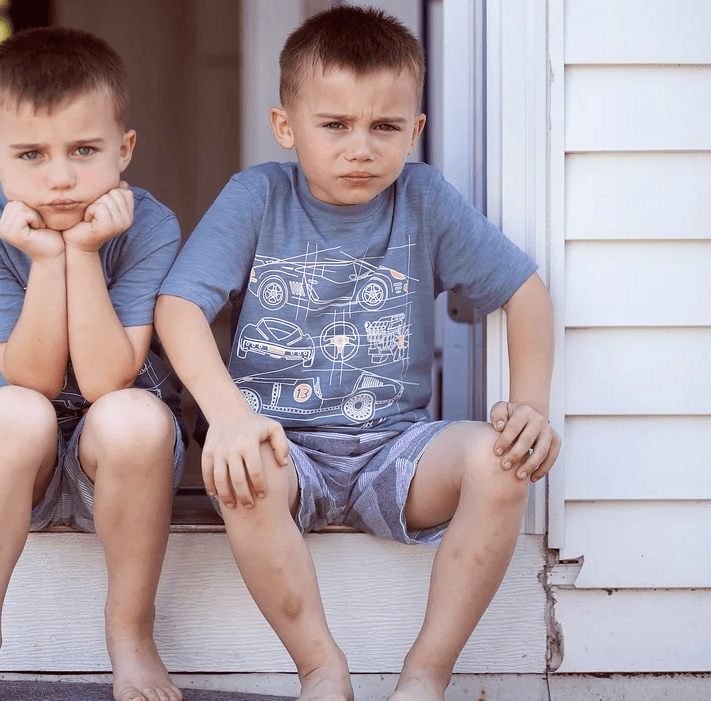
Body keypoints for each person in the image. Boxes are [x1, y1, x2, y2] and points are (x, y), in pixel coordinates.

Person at [154, 7, 560, 701]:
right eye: (334, 125)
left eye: (384, 127)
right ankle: (321, 669)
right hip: (285, 448)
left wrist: (530, 405)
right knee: (239, 469)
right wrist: (225, 414)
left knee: (500, 462)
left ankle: (423, 677)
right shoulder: (257, 196)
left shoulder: (423, 198)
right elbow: (178, 306)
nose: (360, 148)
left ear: (414, 132)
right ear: (286, 126)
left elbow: (523, 293)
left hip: (392, 451)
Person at [0, 27, 187, 701]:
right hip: (13, 455)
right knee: (15, 412)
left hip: (117, 458)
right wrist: (45, 257)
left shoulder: (149, 225)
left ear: (123, 151)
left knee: (134, 416)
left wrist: (84, 251)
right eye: (31, 153)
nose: (61, 175)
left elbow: (104, 380)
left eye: (84, 150)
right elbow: (30, 380)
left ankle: (130, 637)